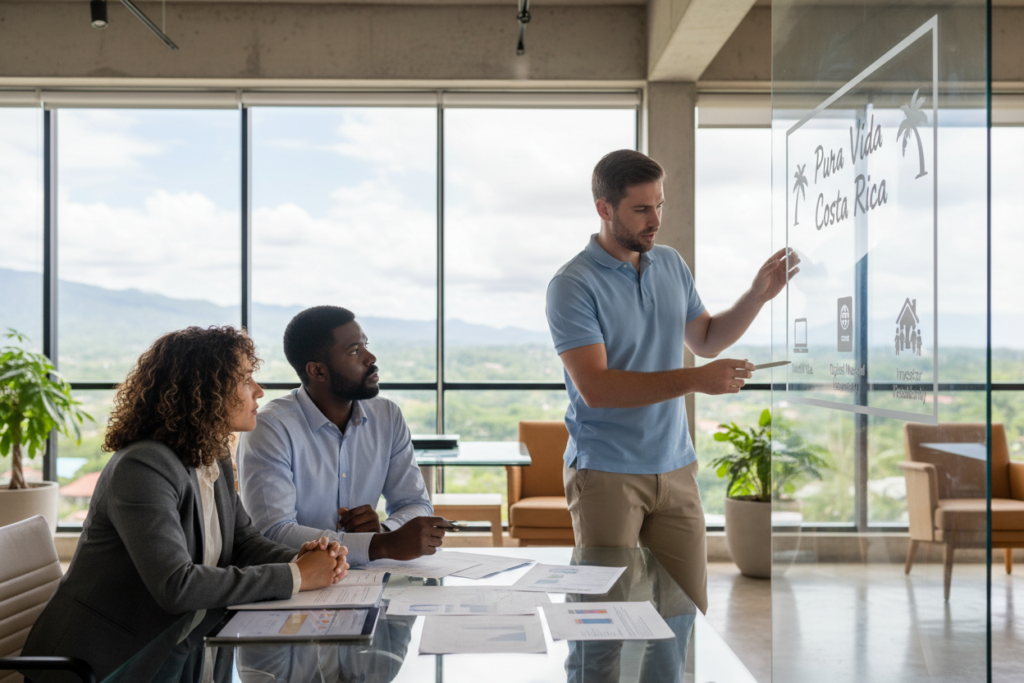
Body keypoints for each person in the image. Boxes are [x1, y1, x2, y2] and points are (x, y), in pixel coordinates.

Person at [546, 149, 799, 614]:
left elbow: (705, 339)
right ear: (604, 209)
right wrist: (696, 381)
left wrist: (758, 296)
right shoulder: (572, 284)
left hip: (676, 468)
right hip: (606, 472)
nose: (655, 219)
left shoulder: (670, 264)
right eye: (641, 209)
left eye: (660, 205)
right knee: (603, 622)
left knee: (685, 620)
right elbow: (597, 388)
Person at [20, 326, 349, 682]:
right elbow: (176, 586)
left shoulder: (213, 455)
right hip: (102, 664)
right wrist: (297, 575)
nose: (258, 391)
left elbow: (243, 541)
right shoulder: (143, 466)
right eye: (244, 379)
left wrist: (307, 558)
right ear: (205, 392)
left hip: (181, 645)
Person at [238, 305, 448, 566]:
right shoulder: (271, 427)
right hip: (295, 581)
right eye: (355, 351)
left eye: (365, 345)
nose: (370, 357)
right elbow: (273, 532)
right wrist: (379, 545)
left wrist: (383, 529)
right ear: (317, 371)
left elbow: (415, 503)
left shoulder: (387, 416)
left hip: (366, 579)